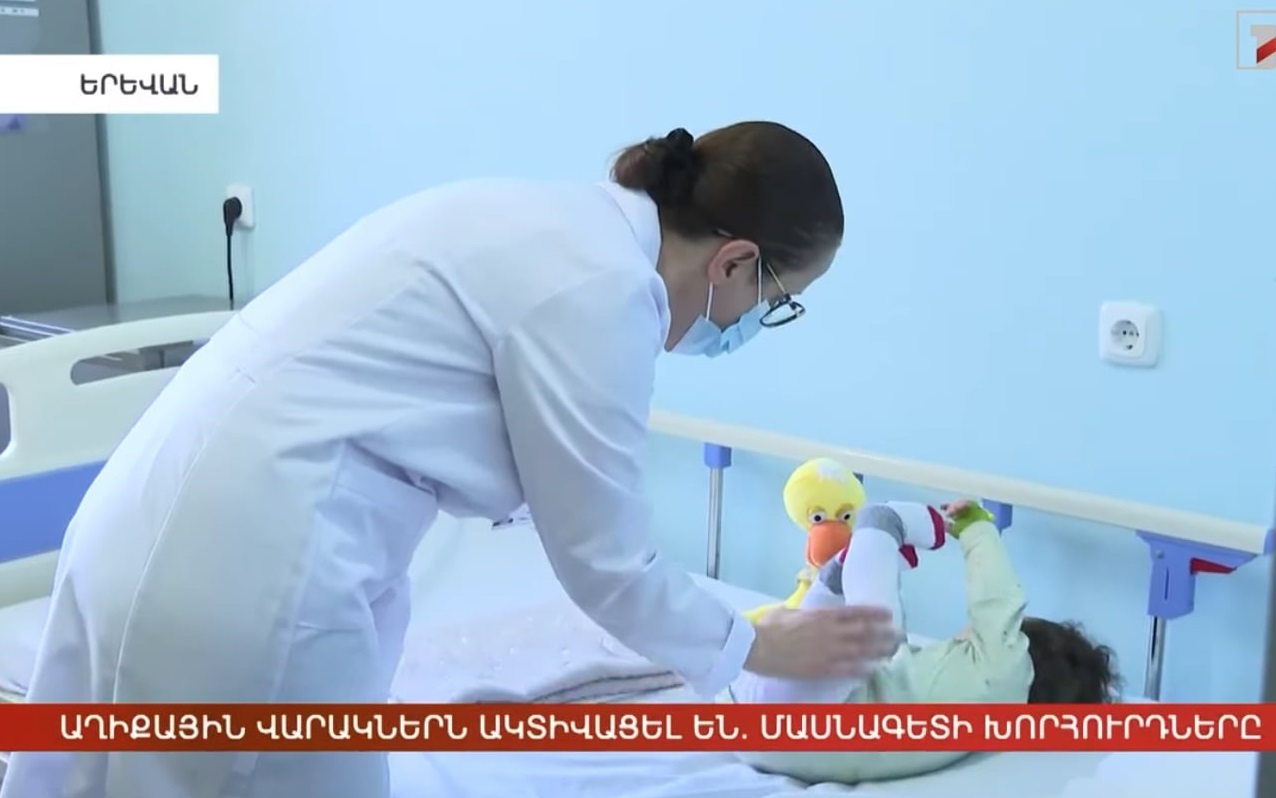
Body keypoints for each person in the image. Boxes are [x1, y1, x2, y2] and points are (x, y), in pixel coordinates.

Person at [1, 122, 899, 798]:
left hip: (147, 515)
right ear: (735, 261)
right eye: (777, 300)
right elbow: (607, 563)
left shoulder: (558, 224)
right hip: (252, 568)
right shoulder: (602, 291)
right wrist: (752, 642)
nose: (755, 323)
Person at [728, 500, 1120, 785]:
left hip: (790, 716)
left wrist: (976, 529)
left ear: (1026, 649)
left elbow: (997, 597)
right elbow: (893, 679)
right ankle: (835, 580)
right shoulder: (969, 711)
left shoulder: (1009, 672)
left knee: (874, 634)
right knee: (851, 646)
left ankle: (882, 527)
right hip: (767, 737)